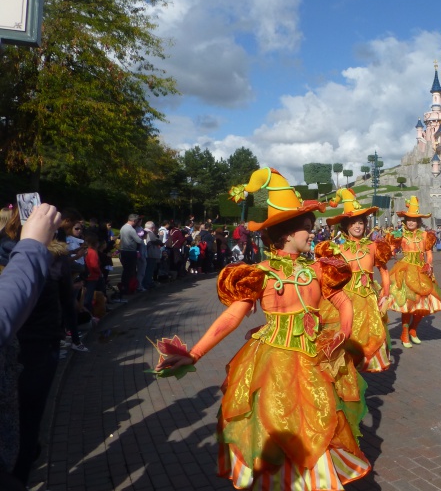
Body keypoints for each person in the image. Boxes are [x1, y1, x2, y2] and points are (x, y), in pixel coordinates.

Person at [155, 167, 369, 489]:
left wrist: (343, 333)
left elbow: (342, 302)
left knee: (319, 421)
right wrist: (195, 353)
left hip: (313, 358)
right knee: (274, 426)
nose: (312, 233)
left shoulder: (319, 269)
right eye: (307, 229)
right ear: (286, 233)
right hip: (272, 362)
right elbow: (231, 317)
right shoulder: (260, 274)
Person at [0, 204, 61, 488]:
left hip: (32, 350)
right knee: (25, 427)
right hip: (33, 352)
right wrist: (34, 246)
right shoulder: (28, 256)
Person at [317, 188, 393, 373]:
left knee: (366, 337)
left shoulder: (374, 246)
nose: (358, 226)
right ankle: (346, 374)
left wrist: (386, 293)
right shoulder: (337, 249)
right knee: (343, 336)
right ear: (346, 226)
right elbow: (327, 277)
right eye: (354, 223)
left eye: (361, 222)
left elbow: (383, 271)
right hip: (344, 298)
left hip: (367, 299)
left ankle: (356, 374)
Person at [384, 196, 441, 348]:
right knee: (408, 303)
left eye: (414, 219)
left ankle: (413, 329)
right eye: (408, 219)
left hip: (421, 270)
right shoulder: (400, 235)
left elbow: (429, 253)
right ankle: (404, 333)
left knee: (423, 303)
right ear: (405, 221)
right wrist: (391, 249)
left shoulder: (426, 235)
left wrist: (429, 264)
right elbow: (392, 250)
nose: (411, 222)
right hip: (405, 269)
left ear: (419, 221)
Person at [118, 214, 143, 293]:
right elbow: (139, 240)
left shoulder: (123, 227)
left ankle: (124, 286)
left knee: (125, 270)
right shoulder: (131, 229)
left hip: (123, 251)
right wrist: (142, 238)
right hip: (130, 251)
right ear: (134, 221)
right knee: (130, 271)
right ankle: (128, 288)